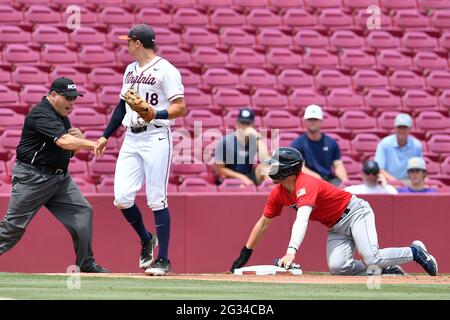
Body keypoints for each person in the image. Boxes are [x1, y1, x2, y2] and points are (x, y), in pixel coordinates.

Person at [230, 147, 438, 277]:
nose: (271, 169)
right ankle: (384, 269)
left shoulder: (307, 183)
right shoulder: (279, 192)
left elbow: (301, 220)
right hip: (336, 226)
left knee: (371, 257)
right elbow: (263, 223)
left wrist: (291, 251)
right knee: (338, 268)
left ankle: (415, 252)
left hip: (356, 213)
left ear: (288, 169)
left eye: (276, 165)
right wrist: (246, 252)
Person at [95, 24, 186, 276]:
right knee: (122, 198)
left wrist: (157, 113)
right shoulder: (130, 69)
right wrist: (105, 136)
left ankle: (164, 259)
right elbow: (122, 106)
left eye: (128, 41)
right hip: (131, 139)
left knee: (157, 198)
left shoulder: (166, 70)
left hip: (156, 136)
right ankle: (147, 238)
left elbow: (181, 107)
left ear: (137, 43)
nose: (126, 44)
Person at [0, 77, 110, 273]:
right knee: (13, 227)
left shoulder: (61, 115)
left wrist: (79, 141)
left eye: (75, 98)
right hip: (33, 178)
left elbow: (69, 151)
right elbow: (63, 142)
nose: (72, 102)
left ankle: (85, 263)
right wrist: (91, 143)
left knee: (83, 211)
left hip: (59, 179)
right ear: (52, 96)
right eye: (68, 98)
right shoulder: (41, 114)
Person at [290, 104, 348, 186]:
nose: (313, 122)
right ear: (305, 121)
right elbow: (299, 167)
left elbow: (338, 165)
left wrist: (345, 181)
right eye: (310, 119)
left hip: (329, 180)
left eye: (315, 119)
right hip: (307, 182)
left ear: (321, 121)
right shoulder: (297, 143)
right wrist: (316, 177)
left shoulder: (331, 142)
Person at [214, 108, 270, 186]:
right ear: (236, 124)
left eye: (247, 124)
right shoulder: (226, 142)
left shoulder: (254, 140)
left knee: (267, 170)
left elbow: (267, 161)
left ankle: (271, 197)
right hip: (230, 179)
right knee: (242, 186)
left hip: (249, 175)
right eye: (242, 123)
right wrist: (242, 177)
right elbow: (219, 169)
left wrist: (258, 138)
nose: (244, 127)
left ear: (252, 125)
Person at [375, 113, 422, 183]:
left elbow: (418, 167)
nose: (402, 130)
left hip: (409, 180)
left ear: (410, 129)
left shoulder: (416, 145)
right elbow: (379, 168)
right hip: (387, 179)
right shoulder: (384, 144)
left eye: (405, 128)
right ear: (395, 128)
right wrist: (393, 180)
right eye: (399, 127)